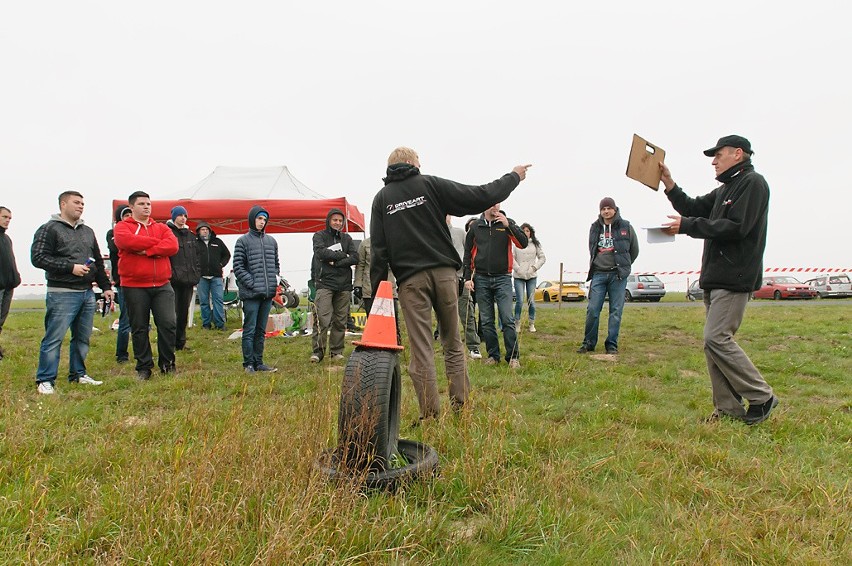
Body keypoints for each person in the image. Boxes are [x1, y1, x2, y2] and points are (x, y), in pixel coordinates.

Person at [370, 146, 531, 421]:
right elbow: (480, 195)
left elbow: (379, 251)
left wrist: (376, 294)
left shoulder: (382, 199)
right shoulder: (429, 184)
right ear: (411, 163)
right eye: (418, 161)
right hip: (445, 274)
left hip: (410, 281)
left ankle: (430, 415)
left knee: (421, 350)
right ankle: (462, 406)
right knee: (453, 343)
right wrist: (513, 177)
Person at [660, 134, 778, 425]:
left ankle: (762, 396)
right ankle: (728, 410)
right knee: (712, 343)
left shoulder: (753, 184)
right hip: (715, 278)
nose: (714, 161)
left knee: (716, 338)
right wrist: (669, 184)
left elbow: (737, 227)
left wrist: (688, 227)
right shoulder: (727, 188)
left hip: (734, 276)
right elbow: (691, 207)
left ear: (738, 154)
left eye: (719, 154)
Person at [30, 191, 114, 394]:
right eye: (76, 202)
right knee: (54, 338)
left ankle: (78, 374)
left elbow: (98, 261)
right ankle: (45, 379)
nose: (81, 206)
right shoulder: (49, 229)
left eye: (83, 203)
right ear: (63, 204)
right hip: (61, 293)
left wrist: (105, 287)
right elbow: (38, 257)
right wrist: (71, 267)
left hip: (86, 292)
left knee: (82, 337)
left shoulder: (88, 231)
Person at [113, 190, 179, 381]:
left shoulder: (162, 227)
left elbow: (172, 246)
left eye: (148, 204)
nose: (146, 207)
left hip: (162, 284)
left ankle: (168, 364)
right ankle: (144, 367)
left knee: (168, 323)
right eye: (142, 204)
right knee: (139, 327)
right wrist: (158, 246)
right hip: (134, 285)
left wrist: (147, 250)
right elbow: (125, 241)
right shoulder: (122, 227)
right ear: (131, 207)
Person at [463, 203, 528, 368]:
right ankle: (493, 355)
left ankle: (513, 357)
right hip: (481, 279)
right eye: (492, 204)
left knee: (507, 318)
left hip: (503, 278)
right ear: (485, 206)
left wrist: (509, 226)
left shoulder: (507, 224)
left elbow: (523, 243)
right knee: (486, 321)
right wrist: (467, 278)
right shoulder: (476, 227)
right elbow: (467, 254)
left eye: (498, 204)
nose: (495, 207)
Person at [577, 197, 639, 355]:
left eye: (608, 208)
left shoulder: (626, 226)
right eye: (603, 209)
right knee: (592, 309)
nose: (606, 211)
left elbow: (634, 249)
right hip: (598, 274)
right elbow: (591, 248)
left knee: (616, 310)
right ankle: (589, 343)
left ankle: (611, 344)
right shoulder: (595, 227)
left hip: (617, 275)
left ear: (614, 209)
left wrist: (624, 264)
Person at [232, 205, 280, 373]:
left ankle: (259, 362)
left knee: (261, 330)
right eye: (259, 218)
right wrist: (252, 283)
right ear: (252, 219)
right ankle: (248, 363)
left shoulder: (271, 241)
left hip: (267, 293)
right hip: (251, 294)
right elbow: (238, 267)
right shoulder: (242, 241)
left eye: (264, 219)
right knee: (250, 328)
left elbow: (276, 265)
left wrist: (275, 279)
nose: (262, 222)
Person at [310, 209, 358, 363]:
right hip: (325, 283)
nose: (337, 223)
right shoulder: (319, 236)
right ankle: (318, 352)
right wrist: (343, 256)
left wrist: (336, 261)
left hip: (343, 285)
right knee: (322, 319)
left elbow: (355, 257)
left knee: (340, 320)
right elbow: (320, 253)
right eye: (335, 220)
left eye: (340, 220)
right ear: (329, 220)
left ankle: (336, 351)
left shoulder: (347, 238)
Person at [166, 206, 202, 351]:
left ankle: (181, 343)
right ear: (174, 217)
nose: (183, 218)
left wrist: (196, 274)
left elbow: (197, 257)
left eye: (185, 215)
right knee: (171, 314)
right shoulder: (167, 233)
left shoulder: (191, 236)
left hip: (188, 280)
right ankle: (170, 343)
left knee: (183, 313)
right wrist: (171, 274)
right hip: (173, 281)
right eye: (180, 215)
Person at [448, 215, 481, 359]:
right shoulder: (433, 233)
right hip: (444, 279)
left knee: (467, 313)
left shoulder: (460, 232)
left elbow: (467, 252)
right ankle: (449, 347)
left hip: (461, 278)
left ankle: (473, 347)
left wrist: (468, 274)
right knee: (446, 315)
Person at [106, 205, 133, 363]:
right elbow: (117, 248)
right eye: (125, 214)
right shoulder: (113, 233)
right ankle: (121, 354)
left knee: (139, 320)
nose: (129, 217)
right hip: (123, 281)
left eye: (130, 214)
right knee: (126, 318)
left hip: (139, 279)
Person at [195, 221, 231, 330]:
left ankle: (220, 324)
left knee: (218, 300)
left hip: (216, 277)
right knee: (204, 301)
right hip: (201, 277)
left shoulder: (218, 242)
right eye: (202, 229)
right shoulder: (195, 243)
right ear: (198, 232)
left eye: (206, 229)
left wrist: (221, 264)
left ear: (210, 231)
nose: (205, 231)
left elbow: (227, 255)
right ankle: (206, 324)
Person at [512, 222, 546, 333]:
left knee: (531, 300)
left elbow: (542, 258)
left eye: (528, 230)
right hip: (519, 276)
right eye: (523, 230)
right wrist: (518, 269)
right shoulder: (515, 243)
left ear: (531, 232)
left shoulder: (535, 244)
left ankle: (531, 323)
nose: (526, 233)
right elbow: (511, 258)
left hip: (531, 276)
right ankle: (517, 322)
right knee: (520, 300)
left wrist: (534, 268)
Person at [0, 206, 22, 361]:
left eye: (9, 218)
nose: (7, 220)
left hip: (8, 286)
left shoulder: (7, 239)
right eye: (4, 217)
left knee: (1, 320)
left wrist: (16, 277)